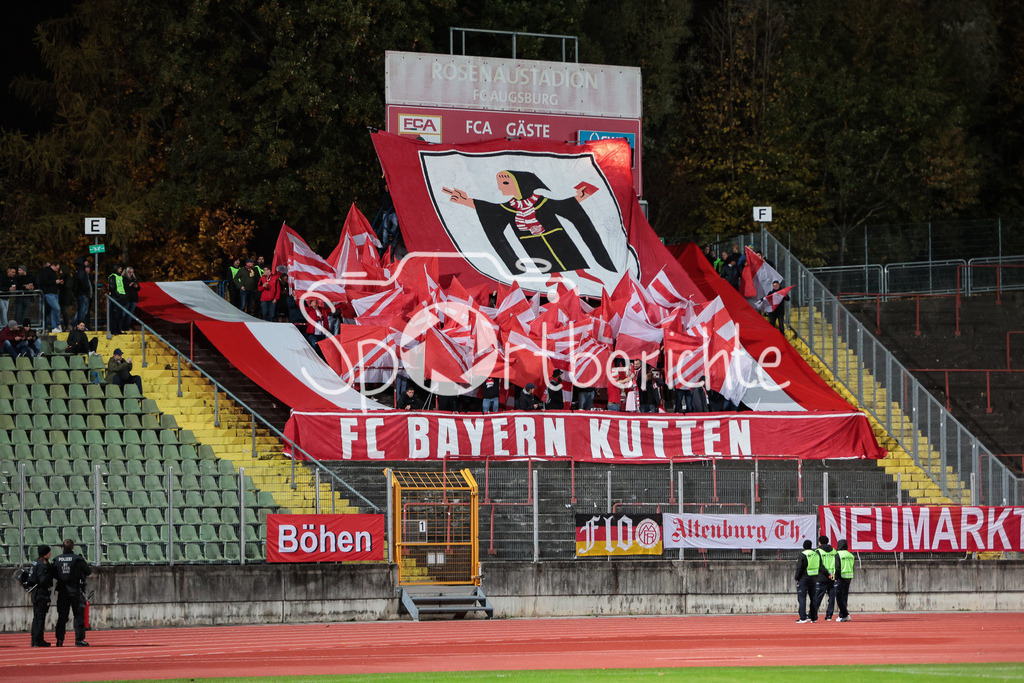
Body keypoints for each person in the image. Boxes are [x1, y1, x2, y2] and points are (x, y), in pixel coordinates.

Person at [443, 170, 616, 274]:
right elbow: (491, 210)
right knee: (548, 267)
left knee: (573, 262)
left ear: (520, 184)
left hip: (559, 240)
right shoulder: (509, 208)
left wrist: (582, 195)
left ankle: (582, 273)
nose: (500, 187)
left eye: (505, 182)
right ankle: (554, 276)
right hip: (532, 244)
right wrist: (465, 201)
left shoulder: (542, 201)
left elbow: (565, 206)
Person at [53, 539, 91, 647]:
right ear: (73, 548)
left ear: (62, 548)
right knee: (78, 616)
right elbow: (88, 571)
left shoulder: (57, 559)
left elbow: (53, 573)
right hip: (75, 590)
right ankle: (79, 640)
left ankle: (59, 640)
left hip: (63, 591)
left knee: (62, 617)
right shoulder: (77, 559)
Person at [27, 544, 55, 647]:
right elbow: (42, 580)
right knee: (40, 617)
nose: (50, 554)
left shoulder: (35, 562)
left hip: (36, 592)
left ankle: (36, 639)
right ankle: (37, 640)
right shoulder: (42, 566)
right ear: (45, 554)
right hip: (41, 593)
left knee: (37, 617)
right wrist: (50, 572)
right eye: (49, 552)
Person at [811, 535, 838, 622]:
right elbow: (837, 563)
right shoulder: (834, 551)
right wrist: (832, 573)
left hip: (822, 577)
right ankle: (829, 615)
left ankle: (813, 615)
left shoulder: (818, 551)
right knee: (832, 598)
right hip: (833, 577)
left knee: (817, 597)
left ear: (819, 542)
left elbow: (818, 565)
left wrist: (827, 573)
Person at [794, 539, 820, 624]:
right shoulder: (816, 554)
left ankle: (803, 617)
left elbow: (800, 568)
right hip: (814, 578)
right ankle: (814, 617)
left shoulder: (803, 554)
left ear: (804, 546)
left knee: (802, 598)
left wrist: (797, 577)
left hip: (804, 578)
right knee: (813, 598)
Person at [37, 262, 64, 333]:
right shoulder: (46, 271)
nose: (57, 270)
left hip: (54, 293)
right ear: (53, 265)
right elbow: (44, 281)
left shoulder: (53, 272)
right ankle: (57, 324)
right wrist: (55, 282)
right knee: (57, 308)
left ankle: (54, 327)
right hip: (49, 293)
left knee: (53, 310)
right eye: (56, 268)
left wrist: (58, 282)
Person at [834, 539, 855, 622]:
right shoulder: (850, 555)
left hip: (841, 577)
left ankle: (844, 614)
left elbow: (837, 567)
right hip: (849, 577)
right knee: (844, 597)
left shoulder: (838, 554)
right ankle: (843, 615)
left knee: (839, 597)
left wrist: (836, 577)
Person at [71, 261, 92, 326]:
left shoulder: (83, 274)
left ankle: (78, 323)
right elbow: (84, 284)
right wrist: (86, 290)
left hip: (84, 294)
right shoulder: (82, 274)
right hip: (83, 294)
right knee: (82, 310)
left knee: (82, 310)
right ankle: (79, 324)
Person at [107, 265, 126, 335]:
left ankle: (118, 330)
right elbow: (112, 288)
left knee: (120, 315)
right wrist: (119, 296)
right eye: (119, 269)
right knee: (115, 315)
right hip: (115, 298)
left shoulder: (120, 277)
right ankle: (114, 330)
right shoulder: (112, 277)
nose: (121, 270)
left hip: (120, 298)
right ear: (115, 269)